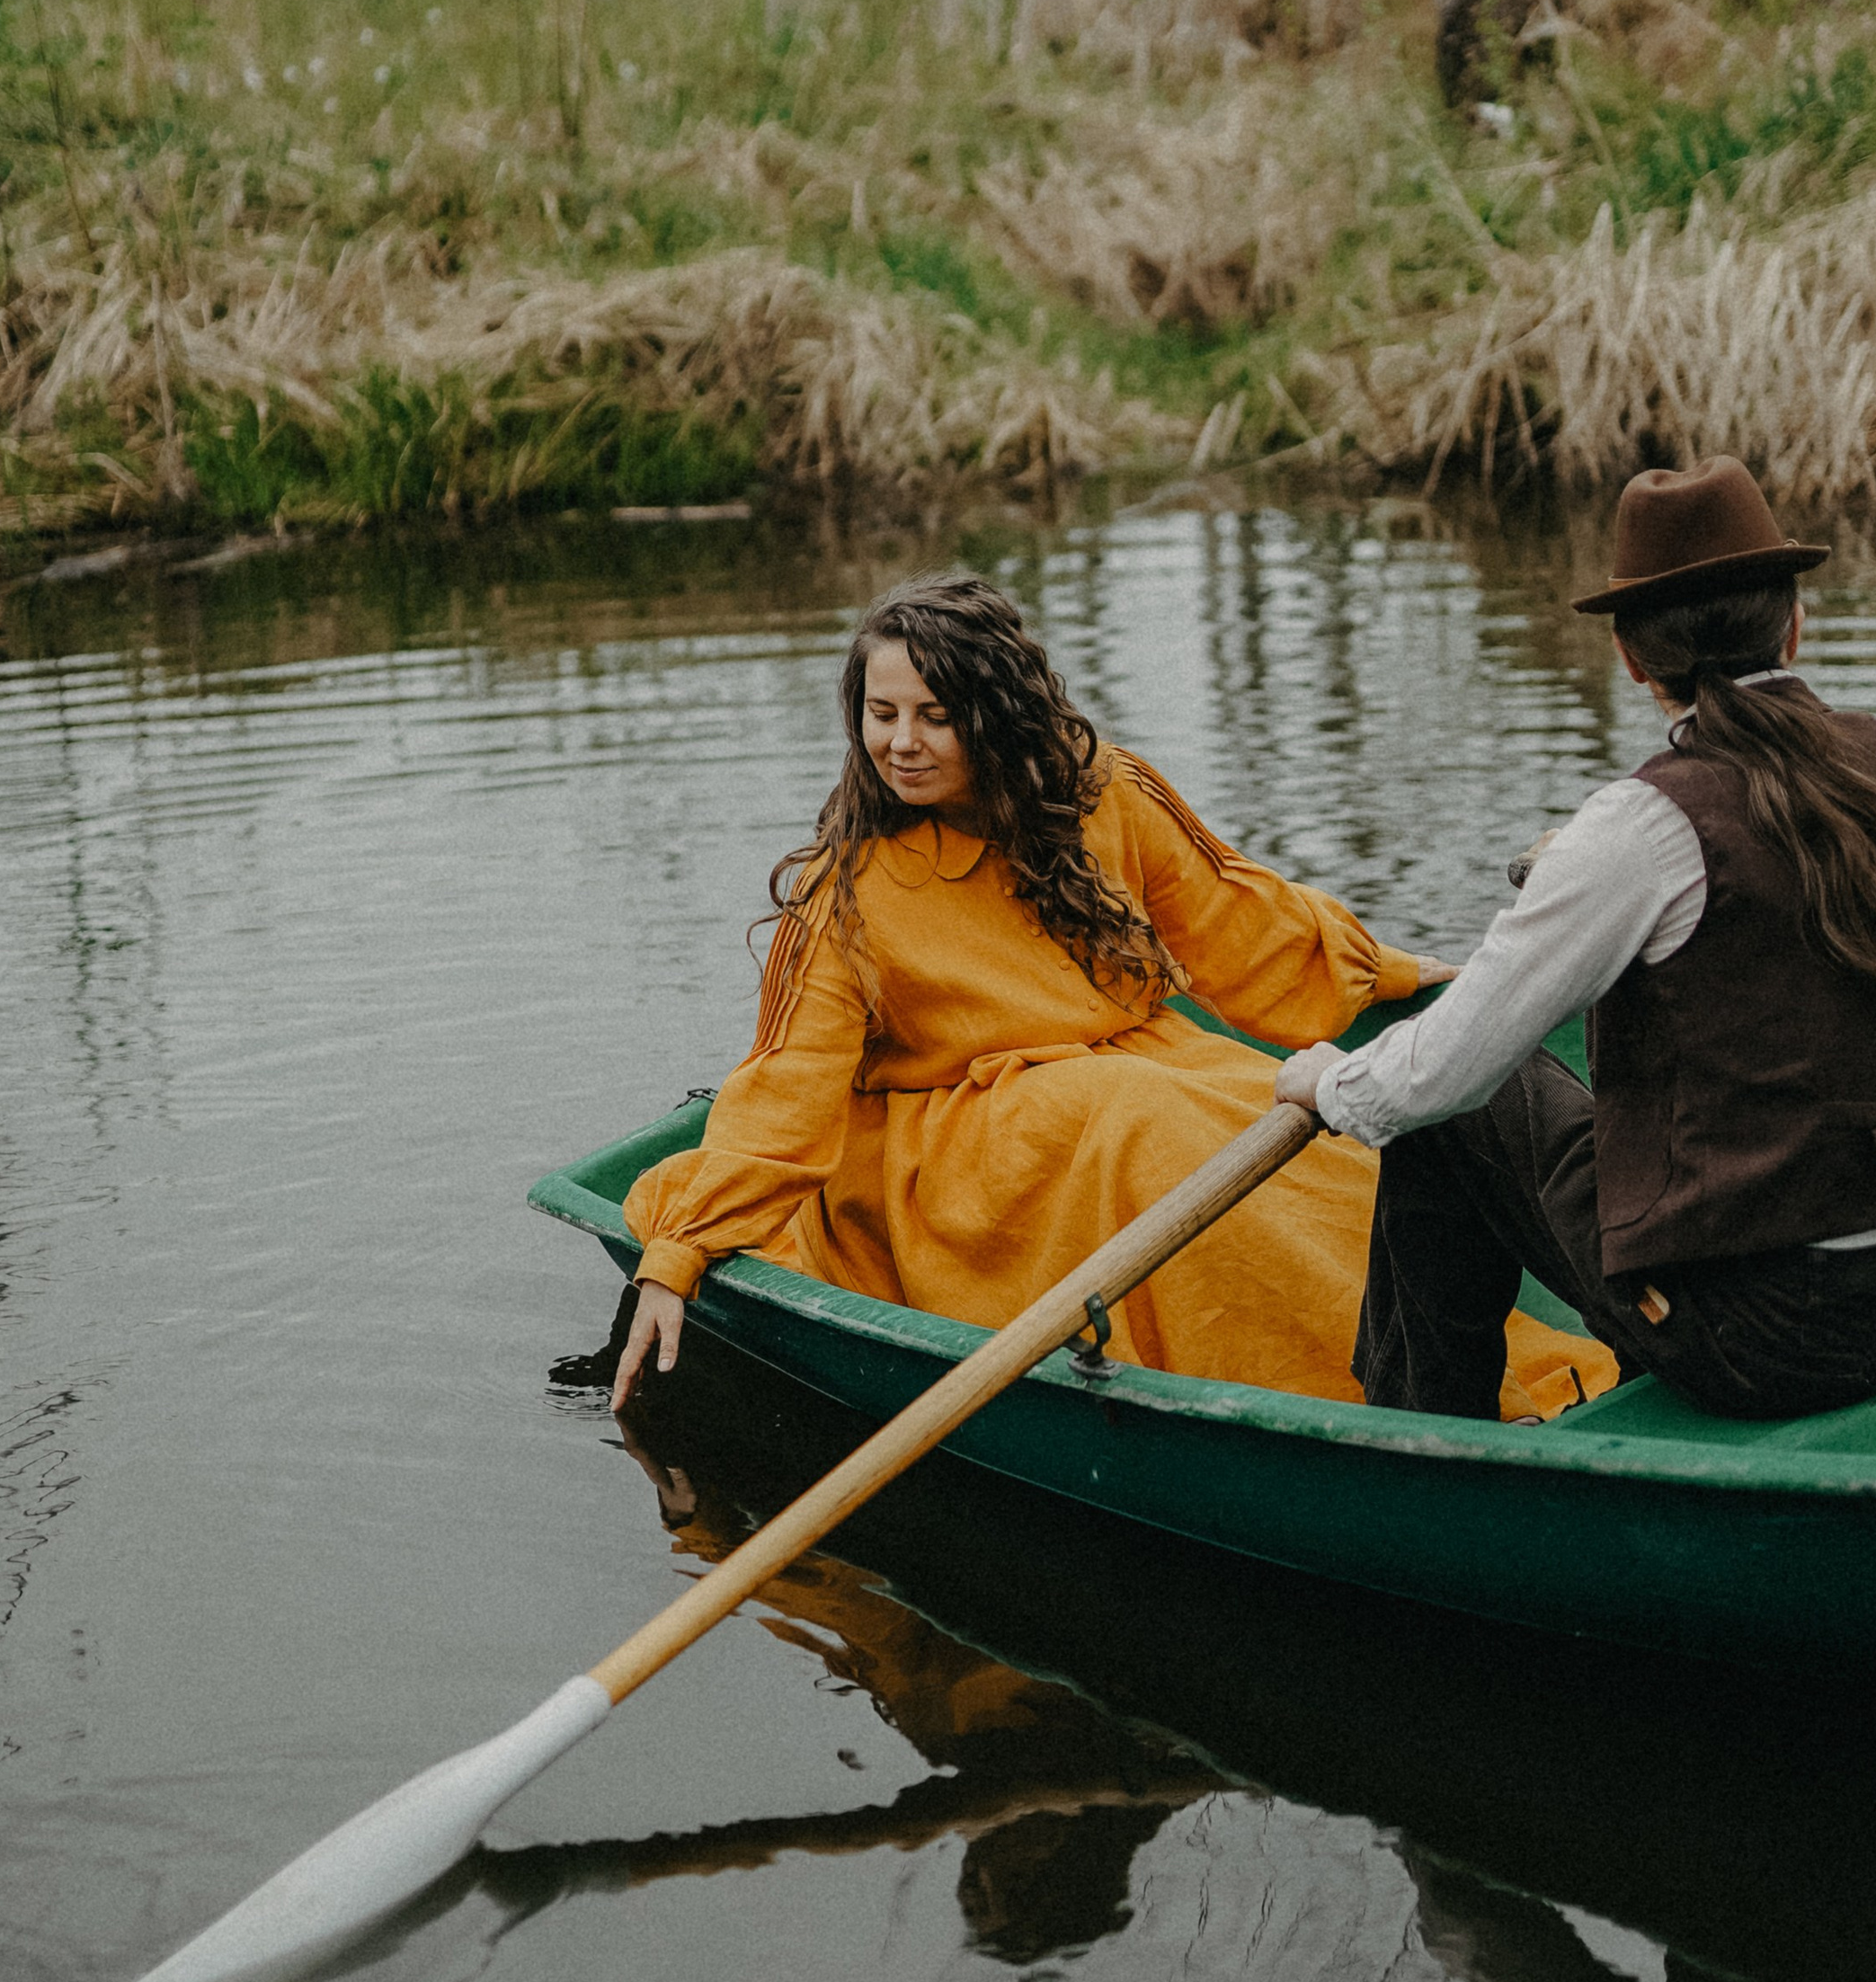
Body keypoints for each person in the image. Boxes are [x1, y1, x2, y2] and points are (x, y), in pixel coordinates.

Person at [609, 573, 1611, 1421]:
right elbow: (789, 1082)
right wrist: (680, 1254)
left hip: (1138, 1067)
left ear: (994, 713)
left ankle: (1443, 1372)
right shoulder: (849, 891)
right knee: (1139, 1125)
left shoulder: (1101, 789)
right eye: (881, 715)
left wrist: (1391, 976)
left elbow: (1236, 918)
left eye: (934, 715)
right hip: (954, 1140)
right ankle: (1337, 1394)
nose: (901, 744)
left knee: (1299, 1117)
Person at [1276, 458, 1876, 1424]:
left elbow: (1436, 1078)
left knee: (1453, 1114)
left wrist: (1328, 1085)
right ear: (1793, 622)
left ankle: (1422, 1438)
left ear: (1630, 657)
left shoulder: (1636, 831)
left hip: (1775, 1339)